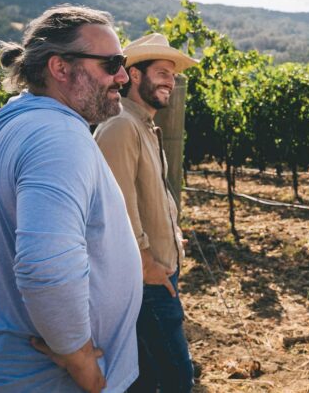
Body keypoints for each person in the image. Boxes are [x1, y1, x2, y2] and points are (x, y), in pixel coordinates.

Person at [0, 5, 143, 392]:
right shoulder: (56, 138)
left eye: (123, 62)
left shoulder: (30, 122)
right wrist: (82, 362)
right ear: (60, 68)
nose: (123, 76)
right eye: (111, 63)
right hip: (49, 381)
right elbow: (45, 268)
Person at [94, 33, 198, 392]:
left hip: (156, 273)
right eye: (161, 72)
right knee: (176, 378)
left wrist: (171, 235)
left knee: (147, 378)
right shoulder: (122, 126)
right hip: (144, 282)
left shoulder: (144, 126)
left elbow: (146, 196)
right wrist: (146, 262)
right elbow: (117, 207)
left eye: (172, 74)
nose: (170, 80)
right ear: (134, 76)